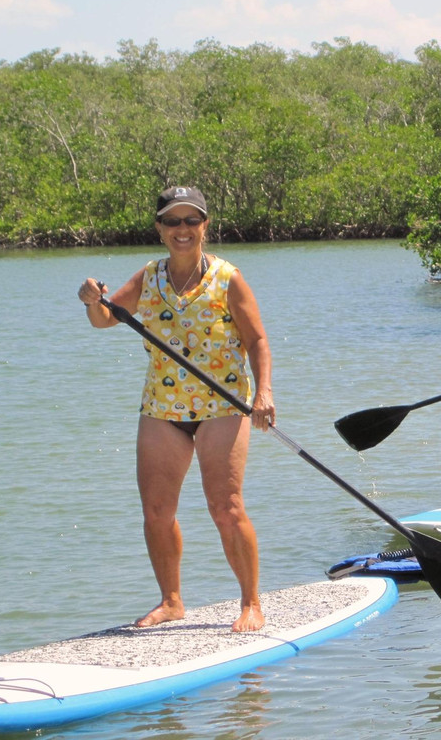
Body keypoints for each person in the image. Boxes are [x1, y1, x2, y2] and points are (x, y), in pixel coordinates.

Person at [77, 186, 274, 632]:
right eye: (172, 221)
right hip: (162, 408)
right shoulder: (150, 276)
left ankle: (251, 603)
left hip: (223, 404)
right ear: (160, 229)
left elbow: (258, 340)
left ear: (205, 226)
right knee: (157, 511)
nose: (182, 230)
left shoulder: (228, 278)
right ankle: (171, 602)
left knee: (226, 507)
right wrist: (92, 299)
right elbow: (105, 318)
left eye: (191, 221)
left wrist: (264, 394)